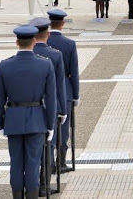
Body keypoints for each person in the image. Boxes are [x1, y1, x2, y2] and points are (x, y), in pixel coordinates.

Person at [0, 25, 56, 199]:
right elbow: (51, 98)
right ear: (34, 42)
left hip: (13, 120)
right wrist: (50, 124)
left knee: (16, 162)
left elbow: (0, 97)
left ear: (16, 42)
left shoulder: (5, 65)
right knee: (33, 162)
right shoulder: (45, 64)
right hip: (37, 120)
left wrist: (1, 123)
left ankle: (16, 195)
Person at [28, 18, 67, 196]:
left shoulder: (27, 54)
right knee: (48, 146)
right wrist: (62, 110)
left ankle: (32, 184)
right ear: (47, 35)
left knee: (31, 150)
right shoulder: (56, 55)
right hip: (49, 107)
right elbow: (59, 86)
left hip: (30, 108)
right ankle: (44, 184)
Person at [46, 9, 80, 173]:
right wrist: (76, 95)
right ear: (63, 24)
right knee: (64, 127)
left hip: (45, 91)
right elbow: (74, 71)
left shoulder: (42, 42)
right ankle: (61, 161)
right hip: (65, 88)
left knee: (48, 126)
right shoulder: (69, 44)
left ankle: (49, 162)